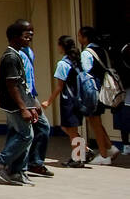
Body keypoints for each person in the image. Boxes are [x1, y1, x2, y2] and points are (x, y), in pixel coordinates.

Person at [0, 19, 38, 185]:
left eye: (31, 35)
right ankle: (0, 161)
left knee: (23, 135)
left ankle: (18, 171)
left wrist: (31, 106)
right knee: (26, 135)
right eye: (26, 35)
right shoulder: (10, 57)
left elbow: (22, 85)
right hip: (13, 104)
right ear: (15, 37)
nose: (29, 38)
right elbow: (12, 86)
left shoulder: (18, 54)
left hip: (21, 103)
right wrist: (23, 108)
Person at [49, 34, 94, 169]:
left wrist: (48, 101)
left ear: (62, 46)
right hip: (79, 99)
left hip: (68, 100)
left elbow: (59, 86)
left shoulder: (63, 64)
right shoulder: (77, 61)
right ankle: (84, 150)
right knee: (69, 128)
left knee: (70, 130)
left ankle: (78, 158)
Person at [78, 26, 120, 165]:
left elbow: (85, 73)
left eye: (80, 35)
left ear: (85, 37)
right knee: (96, 121)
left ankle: (103, 155)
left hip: (92, 90)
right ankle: (110, 147)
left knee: (94, 122)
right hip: (103, 90)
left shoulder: (87, 52)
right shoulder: (102, 50)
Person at [16, 21, 51, 176]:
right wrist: (28, 104)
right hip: (26, 99)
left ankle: (32, 163)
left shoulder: (29, 52)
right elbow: (19, 81)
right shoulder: (17, 55)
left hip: (32, 96)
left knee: (40, 129)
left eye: (32, 32)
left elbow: (30, 78)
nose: (30, 35)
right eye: (26, 32)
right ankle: (12, 163)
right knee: (29, 132)